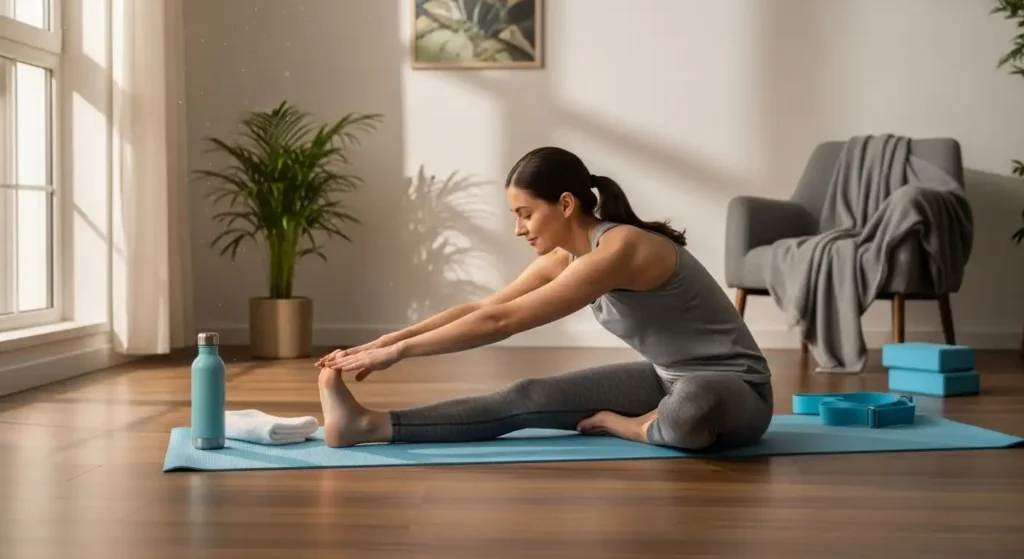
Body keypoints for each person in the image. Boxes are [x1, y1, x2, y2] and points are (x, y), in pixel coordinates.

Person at [315, 146, 773, 451]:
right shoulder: (568, 257)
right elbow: (486, 309)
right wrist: (388, 340)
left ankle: (636, 426)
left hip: (736, 391)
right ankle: (368, 426)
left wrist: (398, 354)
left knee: (696, 400)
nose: (519, 229)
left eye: (526, 214)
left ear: (567, 204)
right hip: (663, 378)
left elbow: (503, 324)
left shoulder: (621, 248)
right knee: (526, 395)